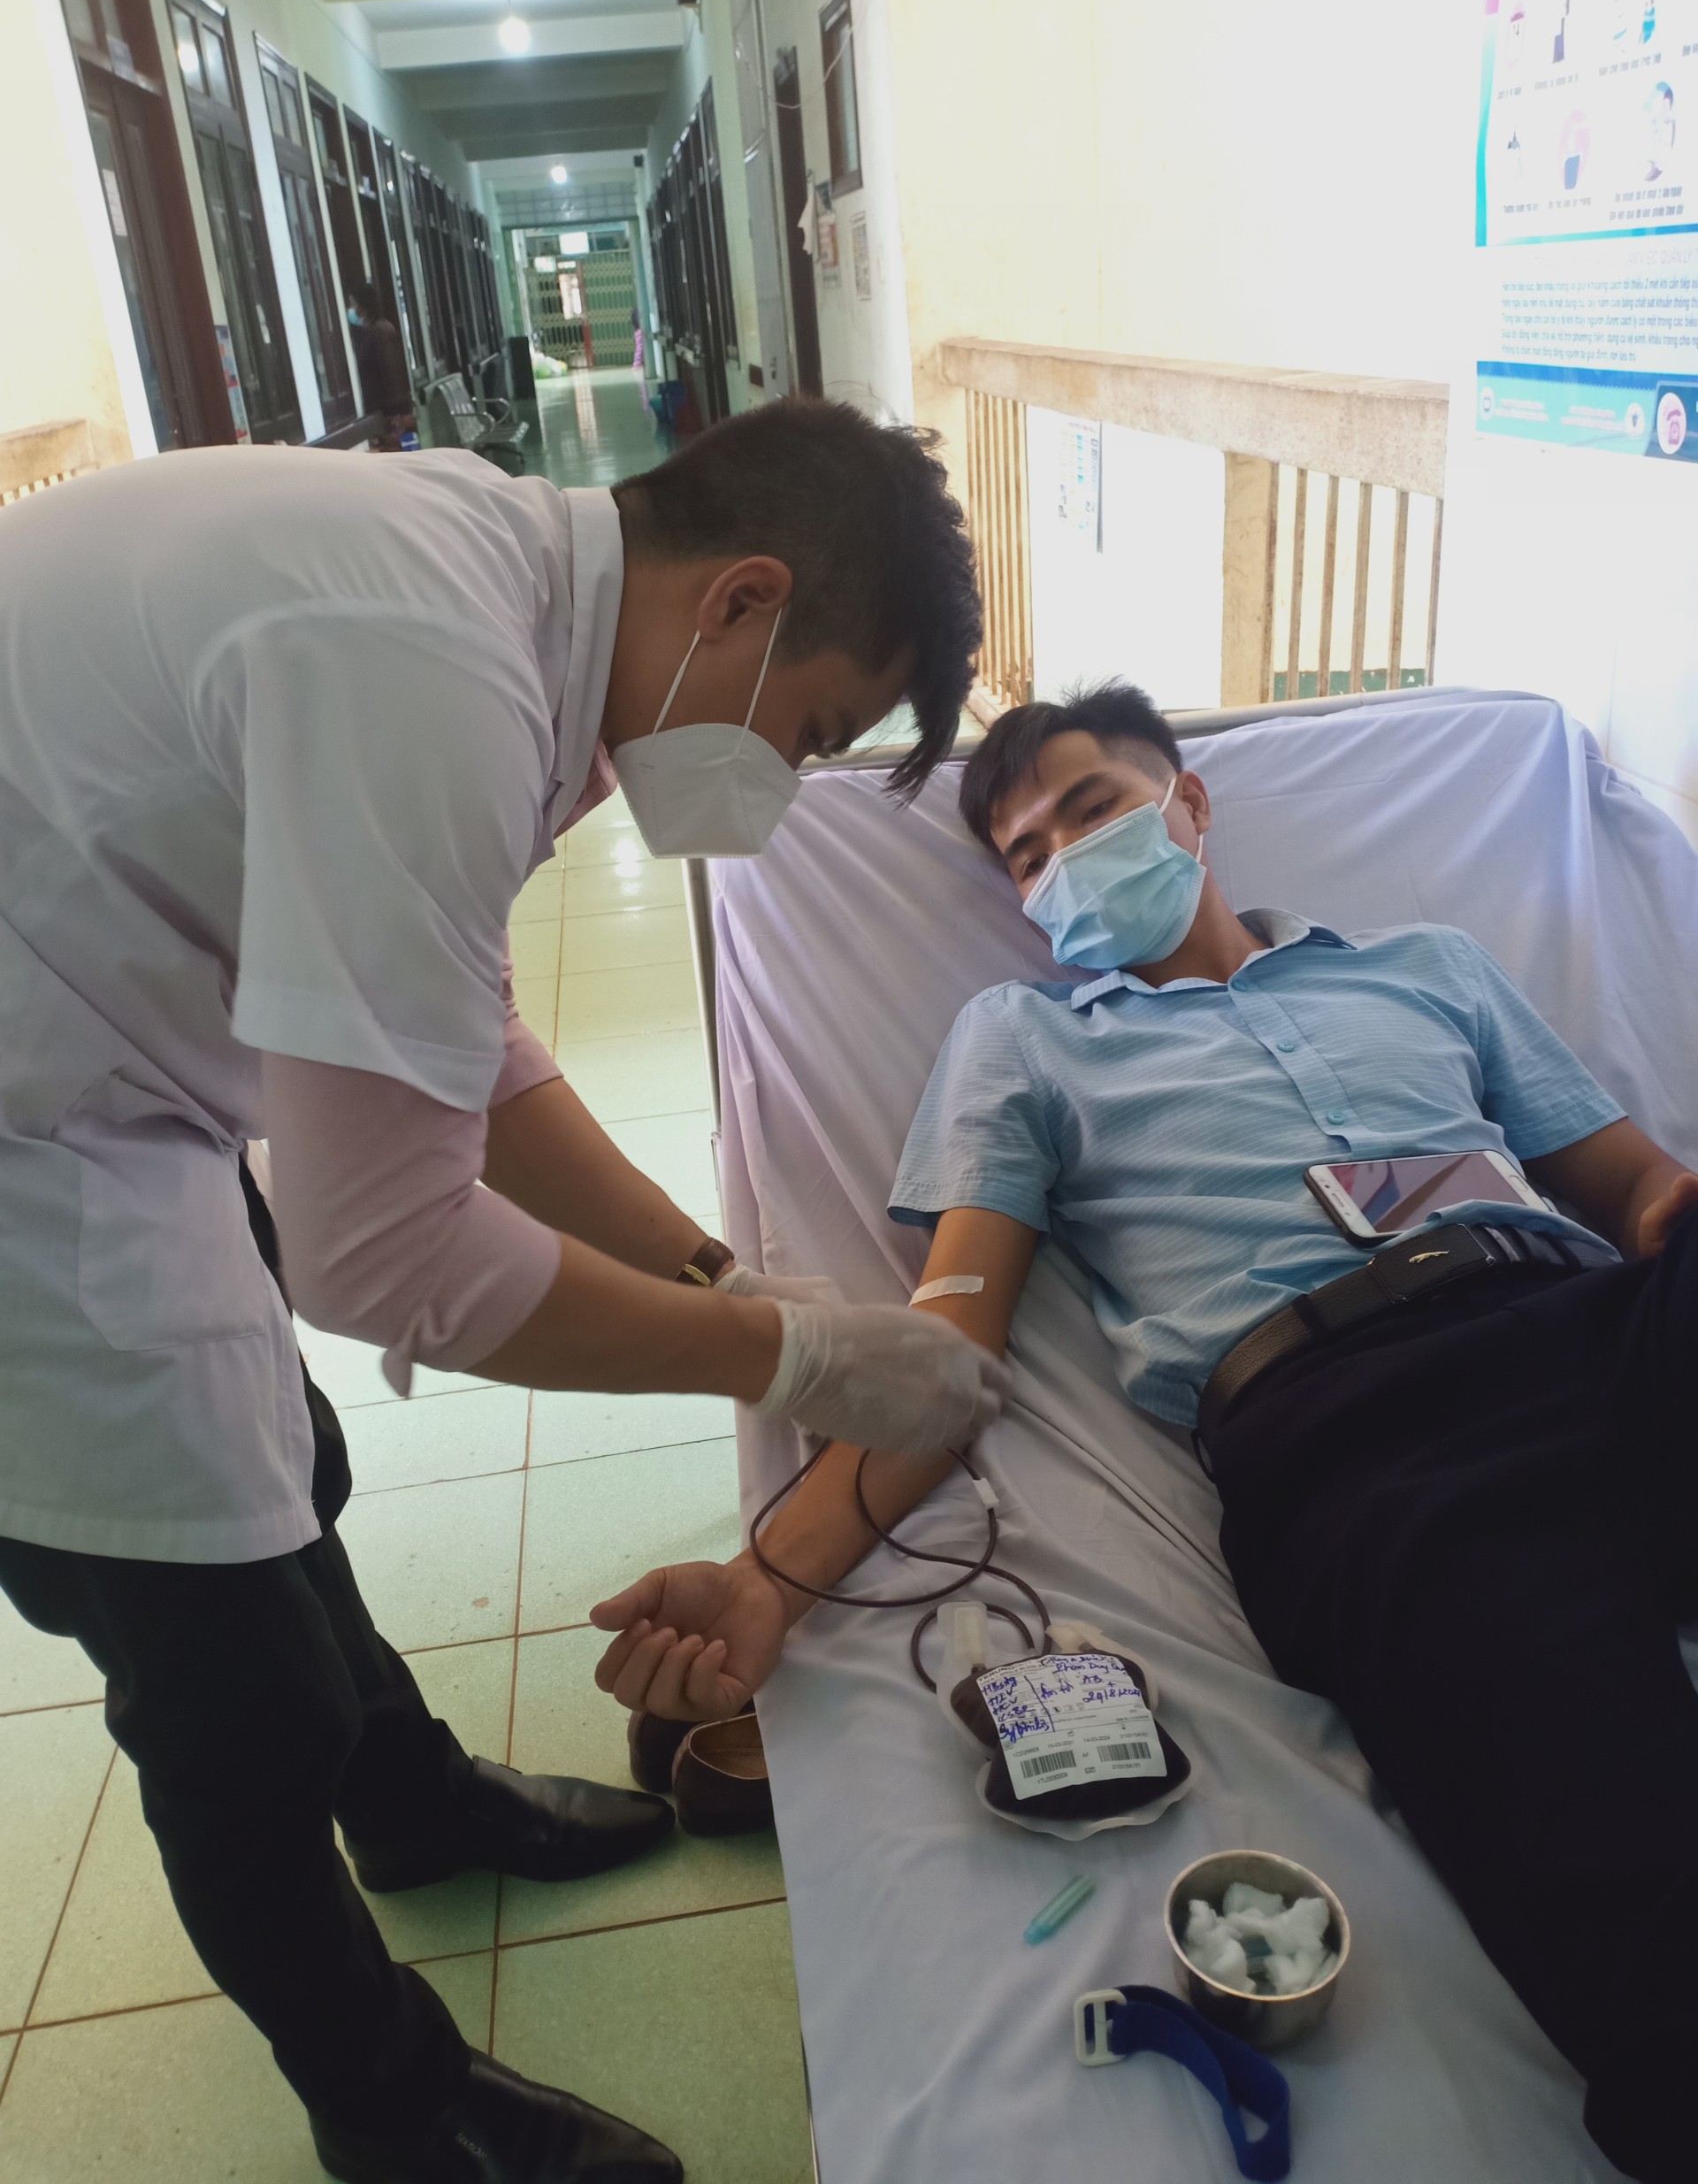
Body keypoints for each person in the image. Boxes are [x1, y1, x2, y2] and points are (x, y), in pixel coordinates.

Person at [0, 400, 1007, 2184]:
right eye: (807, 731)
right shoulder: (429, 665)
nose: (783, 782)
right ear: (741, 599)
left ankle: (407, 1801)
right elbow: (384, 1255)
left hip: (93, 1045)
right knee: (229, 1693)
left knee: (285, 1460)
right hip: (37, 1135)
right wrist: (795, 1353)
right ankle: (396, 2113)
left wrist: (706, 1264)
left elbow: (461, 1039)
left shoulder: (511, 594)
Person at [593, 682, 1698, 2184]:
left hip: (1594, 1322)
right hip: (1372, 1435)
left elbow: (1635, 1189)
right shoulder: (1025, 1043)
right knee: (1624, 1868)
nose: (1063, 859)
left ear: (1188, 803)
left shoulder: (1425, 969)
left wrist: (1669, 1210)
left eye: (1091, 810)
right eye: (1026, 855)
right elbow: (943, 1357)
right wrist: (766, 1583)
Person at [345, 278, 416, 450]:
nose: (350, 310)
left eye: (352, 304)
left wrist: (393, 412)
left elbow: (390, 373)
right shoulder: (376, 331)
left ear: (362, 305)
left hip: (390, 414)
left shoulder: (379, 332)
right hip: (389, 412)